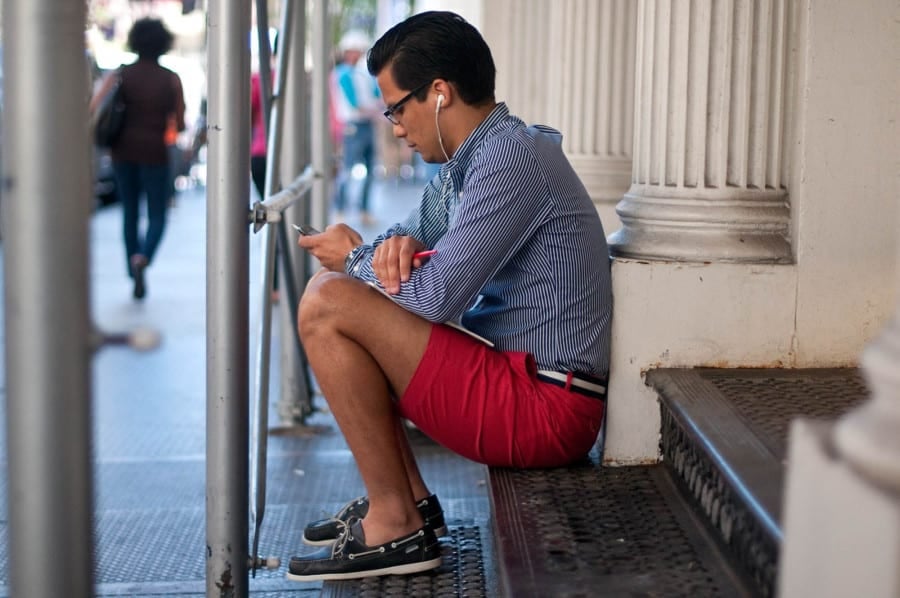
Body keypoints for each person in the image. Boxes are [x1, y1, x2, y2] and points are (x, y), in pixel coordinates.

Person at [288, 11, 612, 582]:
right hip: (518, 380)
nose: (393, 127)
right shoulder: (469, 164)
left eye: (397, 108)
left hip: (546, 406)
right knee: (332, 292)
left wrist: (357, 258)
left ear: (439, 93)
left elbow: (435, 299)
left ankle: (396, 522)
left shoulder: (509, 159)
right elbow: (406, 237)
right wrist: (391, 248)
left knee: (328, 302)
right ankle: (407, 502)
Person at [90, 18, 186, 300]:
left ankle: (132, 267)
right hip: (155, 153)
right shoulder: (171, 78)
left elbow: (95, 107)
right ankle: (143, 257)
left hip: (122, 152)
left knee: (130, 212)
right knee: (157, 213)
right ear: (164, 43)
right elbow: (179, 124)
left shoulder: (120, 74)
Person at [330, 30, 381, 225]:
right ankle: (340, 209)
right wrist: (376, 111)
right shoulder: (342, 74)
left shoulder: (364, 74)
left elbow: (377, 96)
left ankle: (364, 210)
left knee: (370, 170)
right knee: (347, 170)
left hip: (367, 124)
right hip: (353, 126)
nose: (357, 54)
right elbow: (354, 103)